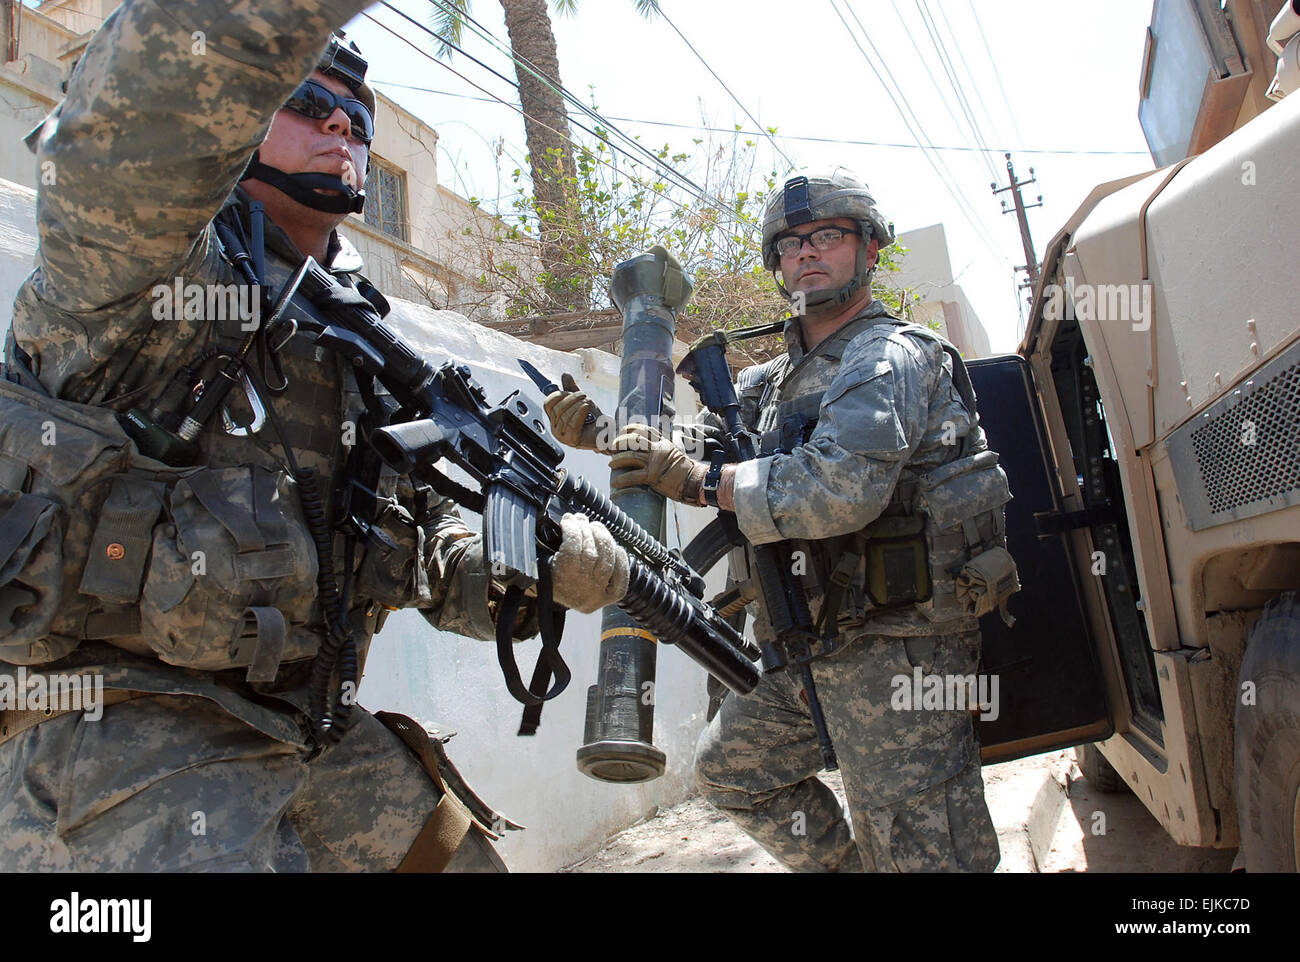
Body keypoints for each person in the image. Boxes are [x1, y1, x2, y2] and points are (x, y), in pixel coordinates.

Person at [0, 0, 629, 873]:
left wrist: (540, 570)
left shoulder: (366, 348)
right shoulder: (143, 278)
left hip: (307, 733)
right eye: (304, 102)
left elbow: (425, 560)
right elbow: (134, 125)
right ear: (239, 114)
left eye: (359, 120)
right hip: (122, 729)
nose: (342, 122)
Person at [546, 168, 1016, 872]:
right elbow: (696, 450)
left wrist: (703, 483)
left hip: (901, 652)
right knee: (731, 770)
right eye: (791, 243)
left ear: (871, 248)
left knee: (921, 846)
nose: (808, 252)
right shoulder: (772, 383)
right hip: (809, 648)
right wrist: (608, 436)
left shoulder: (889, 356)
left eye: (828, 236)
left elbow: (838, 486)